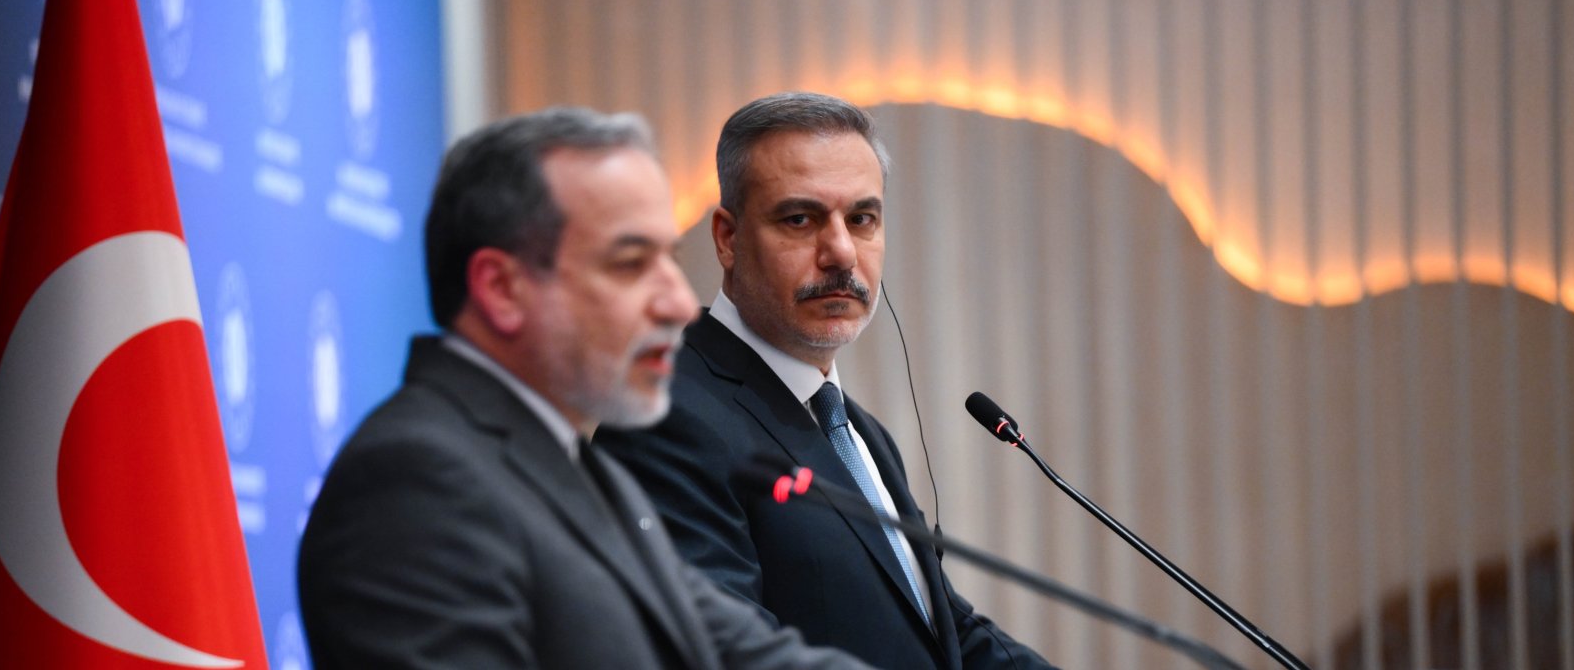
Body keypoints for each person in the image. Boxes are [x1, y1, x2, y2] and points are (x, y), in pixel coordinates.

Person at [298, 107, 873, 670]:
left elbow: (745, 654)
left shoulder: (571, 465)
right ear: (501, 289)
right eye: (630, 263)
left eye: (668, 261)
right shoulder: (414, 479)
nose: (676, 303)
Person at [595, 93, 1055, 669]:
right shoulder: (664, 415)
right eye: (800, 219)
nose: (840, 253)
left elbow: (945, 633)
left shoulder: (860, 433)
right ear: (728, 239)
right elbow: (721, 652)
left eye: (861, 219)